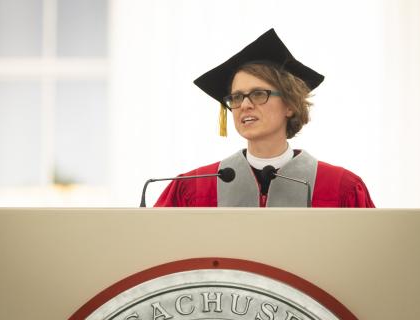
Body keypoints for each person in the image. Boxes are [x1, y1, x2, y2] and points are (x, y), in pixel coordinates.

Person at [155, 28, 374, 208]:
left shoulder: (341, 187)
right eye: (237, 97)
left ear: (289, 105)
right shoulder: (195, 188)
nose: (245, 105)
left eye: (259, 94)